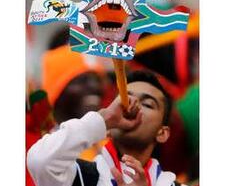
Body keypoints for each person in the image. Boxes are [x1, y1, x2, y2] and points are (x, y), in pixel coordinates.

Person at [27, 70, 187, 186]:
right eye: (125, 99)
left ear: (162, 133)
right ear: (107, 129)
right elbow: (39, 161)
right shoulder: (78, 177)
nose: (133, 106)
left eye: (147, 104)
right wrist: (103, 119)